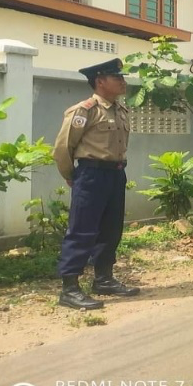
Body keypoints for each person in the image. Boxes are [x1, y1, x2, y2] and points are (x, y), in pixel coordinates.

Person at [52, 58, 138, 310]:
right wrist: (71, 175)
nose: (123, 81)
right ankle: (69, 288)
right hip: (91, 173)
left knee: (111, 230)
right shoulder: (85, 110)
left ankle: (104, 279)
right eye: (116, 77)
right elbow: (62, 148)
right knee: (82, 230)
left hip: (115, 174)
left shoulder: (120, 110)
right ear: (100, 81)